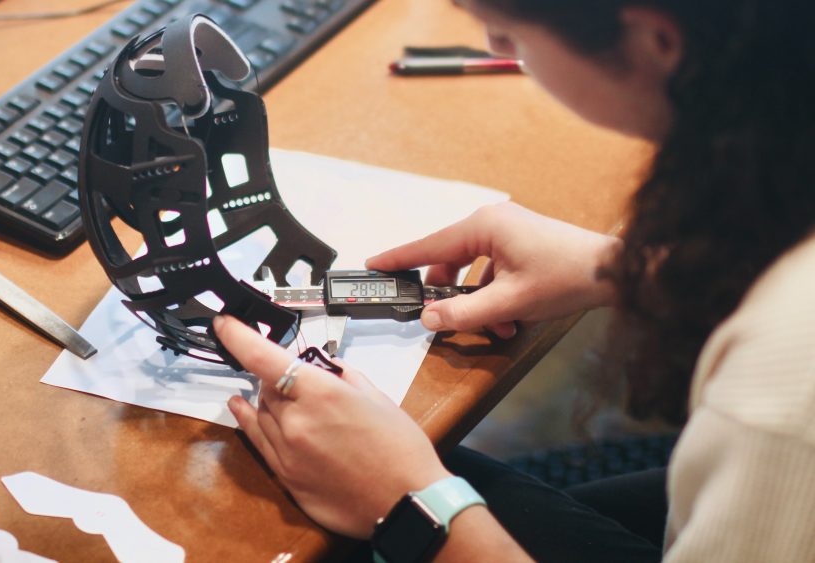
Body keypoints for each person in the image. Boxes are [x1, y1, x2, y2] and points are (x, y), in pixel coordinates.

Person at [212, 0, 815, 560]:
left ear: (656, 40)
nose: (495, 47)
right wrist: (627, 268)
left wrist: (407, 504)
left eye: (505, 33)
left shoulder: (778, 410)